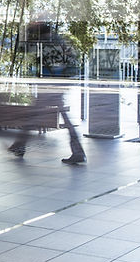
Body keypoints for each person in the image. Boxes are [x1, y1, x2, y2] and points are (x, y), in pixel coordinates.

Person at [7, 22, 86, 164]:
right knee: (57, 116)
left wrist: (24, 31)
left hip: (52, 85)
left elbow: (21, 49)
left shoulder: (45, 43)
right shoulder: (60, 40)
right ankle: (77, 151)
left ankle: (20, 145)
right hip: (60, 83)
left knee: (34, 114)